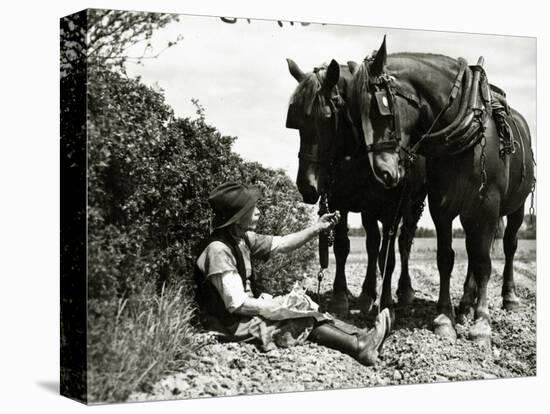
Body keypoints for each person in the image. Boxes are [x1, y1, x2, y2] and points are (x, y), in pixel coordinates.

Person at [195, 181, 392, 366]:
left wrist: (317, 228)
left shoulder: (241, 238)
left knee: (309, 310)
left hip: (241, 314)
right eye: (251, 208)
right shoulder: (218, 250)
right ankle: (358, 346)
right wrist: (274, 305)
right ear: (237, 217)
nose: (258, 211)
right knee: (302, 318)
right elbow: (236, 304)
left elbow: (282, 244)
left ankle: (363, 336)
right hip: (229, 323)